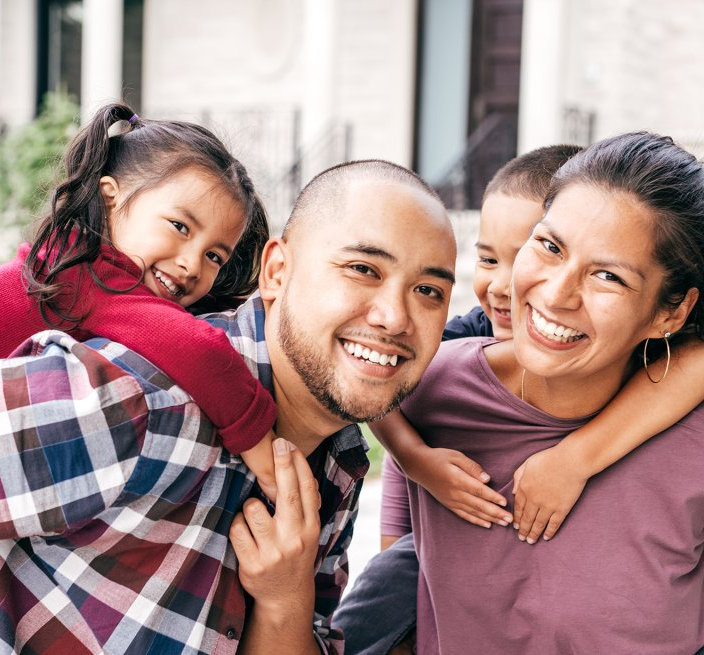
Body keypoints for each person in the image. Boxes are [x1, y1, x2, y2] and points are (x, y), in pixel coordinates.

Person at [0, 159, 457, 654]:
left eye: (428, 291)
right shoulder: (146, 397)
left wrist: (286, 603)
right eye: (363, 270)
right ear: (277, 271)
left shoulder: (340, 458)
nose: (394, 318)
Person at [335, 144, 704, 654]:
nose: (553, 293)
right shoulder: (445, 364)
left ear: (670, 312)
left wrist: (576, 458)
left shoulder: (699, 425)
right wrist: (415, 461)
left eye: (608, 275)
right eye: (548, 247)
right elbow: (384, 396)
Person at [0, 102, 281, 497]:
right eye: (180, 226)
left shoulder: (74, 260)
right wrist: (275, 469)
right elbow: (202, 352)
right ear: (110, 197)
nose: (192, 265)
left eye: (215, 256)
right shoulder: (94, 278)